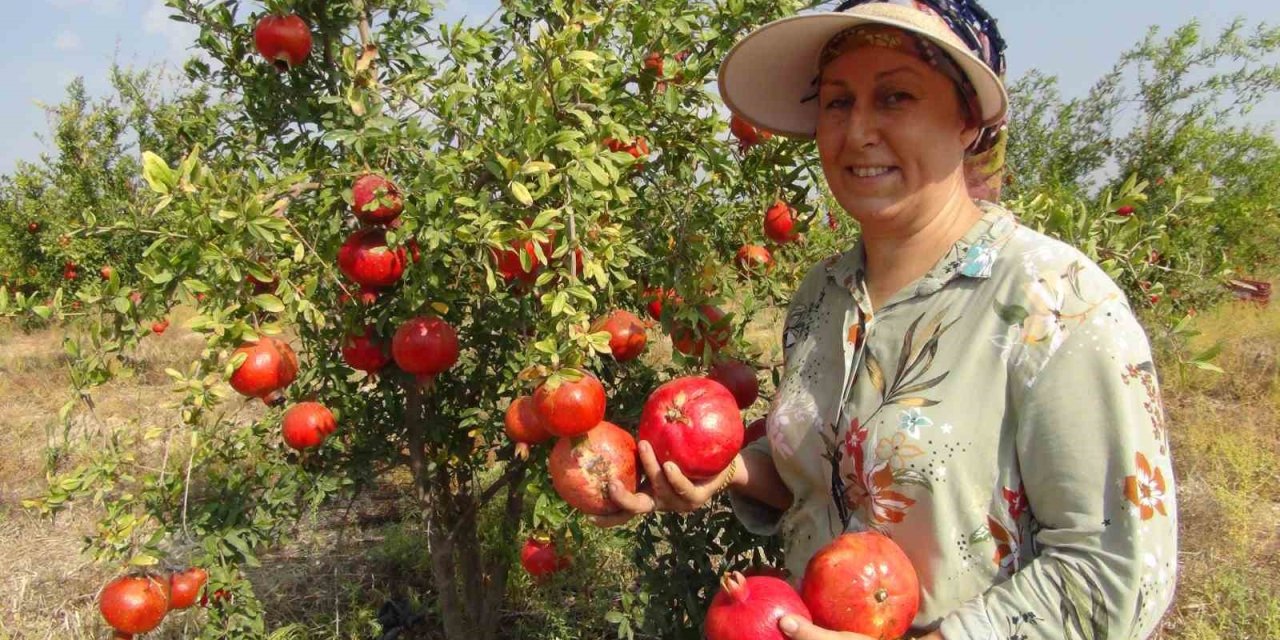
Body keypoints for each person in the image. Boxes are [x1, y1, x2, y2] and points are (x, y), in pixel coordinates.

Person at [591, 1, 1179, 638]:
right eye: (838, 102)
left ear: (969, 123)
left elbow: (1117, 572)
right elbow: (829, 480)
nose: (858, 130)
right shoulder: (821, 296)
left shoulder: (1055, 301)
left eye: (895, 96)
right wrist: (718, 471)